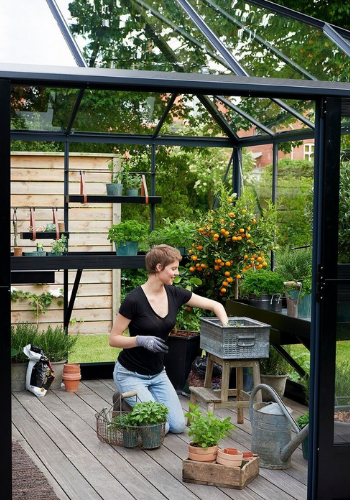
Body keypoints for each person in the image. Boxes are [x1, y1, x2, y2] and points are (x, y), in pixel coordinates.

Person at [109, 244, 228, 434]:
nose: (177, 273)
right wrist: (139, 340)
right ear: (158, 268)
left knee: (179, 426)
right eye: (173, 268)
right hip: (130, 374)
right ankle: (126, 400)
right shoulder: (134, 300)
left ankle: (143, 399)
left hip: (157, 374)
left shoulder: (175, 294)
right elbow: (113, 339)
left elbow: (215, 305)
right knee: (161, 428)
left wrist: (226, 328)